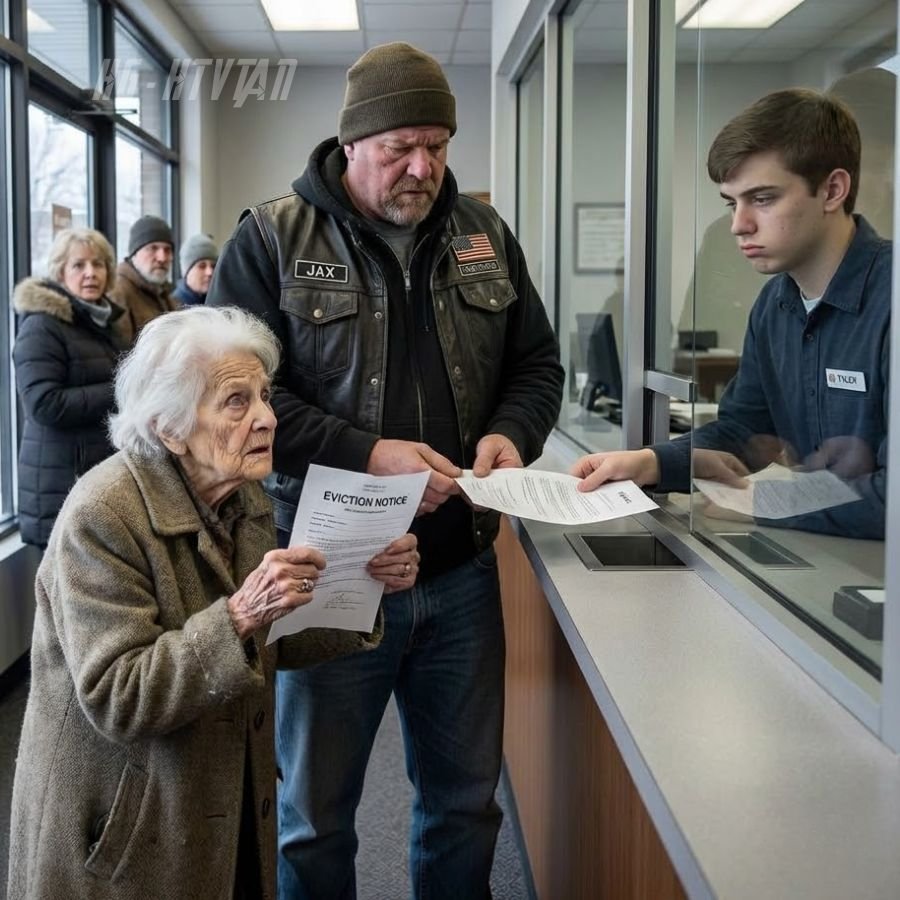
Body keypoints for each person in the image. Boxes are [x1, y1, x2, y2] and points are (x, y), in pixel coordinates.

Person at [207, 41, 564, 900]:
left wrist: (511, 433)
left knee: (464, 808)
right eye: (402, 147)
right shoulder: (271, 239)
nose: (423, 168)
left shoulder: (485, 236)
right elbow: (233, 403)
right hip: (324, 570)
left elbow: (537, 366)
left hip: (459, 570)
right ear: (351, 144)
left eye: (437, 146)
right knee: (315, 818)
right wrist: (366, 452)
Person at [6, 305, 420, 900]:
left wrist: (365, 583)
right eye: (236, 402)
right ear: (170, 428)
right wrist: (241, 613)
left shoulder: (242, 494)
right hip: (127, 829)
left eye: (264, 396)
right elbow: (119, 696)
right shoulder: (101, 516)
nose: (267, 418)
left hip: (219, 794)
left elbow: (265, 640)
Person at [572, 88, 890, 540]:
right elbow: (745, 429)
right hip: (827, 553)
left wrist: (763, 502)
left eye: (763, 198)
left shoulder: (891, 298)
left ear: (832, 190)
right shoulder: (775, 305)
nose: (739, 224)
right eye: (731, 202)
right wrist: (655, 462)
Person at [12, 227, 129, 548]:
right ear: (60, 272)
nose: (91, 273)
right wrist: (121, 391)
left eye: (98, 264)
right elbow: (44, 404)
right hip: (58, 487)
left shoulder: (101, 322)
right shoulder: (42, 326)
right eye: (79, 265)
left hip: (92, 483)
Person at [111, 213, 180, 342]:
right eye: (153, 248)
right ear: (134, 253)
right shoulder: (119, 292)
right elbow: (120, 350)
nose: (162, 258)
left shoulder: (165, 292)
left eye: (167, 250)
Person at [173, 233, 219, 305]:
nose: (210, 272)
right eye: (202, 266)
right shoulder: (172, 307)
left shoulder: (219, 302)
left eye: (213, 266)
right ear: (187, 272)